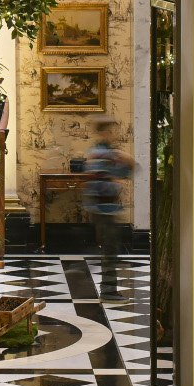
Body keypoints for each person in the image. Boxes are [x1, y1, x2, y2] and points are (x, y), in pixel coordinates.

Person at [83, 120, 134, 299]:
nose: (114, 134)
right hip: (103, 209)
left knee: (110, 249)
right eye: (111, 131)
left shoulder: (105, 153)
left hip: (105, 208)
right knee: (110, 249)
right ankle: (108, 290)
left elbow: (122, 173)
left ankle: (109, 289)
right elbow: (104, 179)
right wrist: (122, 166)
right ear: (104, 132)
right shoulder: (103, 153)